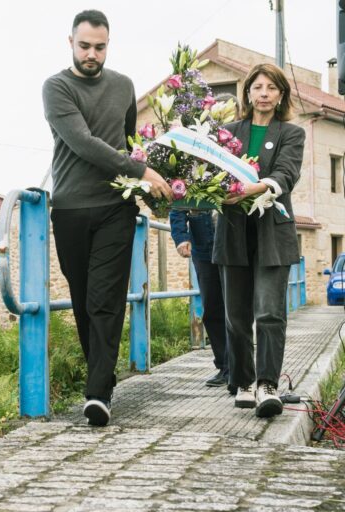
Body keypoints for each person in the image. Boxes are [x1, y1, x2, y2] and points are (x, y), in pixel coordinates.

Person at [42, 9, 172, 426]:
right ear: (71, 43)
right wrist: (142, 172)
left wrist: (154, 178)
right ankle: (102, 375)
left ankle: (98, 392)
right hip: (69, 209)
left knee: (106, 299)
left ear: (107, 45)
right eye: (85, 46)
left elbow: (129, 144)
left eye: (99, 47)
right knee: (82, 299)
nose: (92, 54)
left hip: (117, 207)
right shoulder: (56, 87)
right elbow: (83, 143)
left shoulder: (124, 86)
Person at [213, 63, 305, 417]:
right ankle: (243, 382)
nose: (264, 93)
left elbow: (286, 173)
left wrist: (259, 186)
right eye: (257, 87)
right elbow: (212, 172)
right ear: (247, 93)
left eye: (271, 87)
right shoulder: (227, 132)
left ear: (281, 94)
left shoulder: (291, 133)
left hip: (272, 233)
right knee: (236, 316)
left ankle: (268, 384)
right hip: (234, 231)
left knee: (269, 312)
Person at [169, 209, 229, 387]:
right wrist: (181, 237)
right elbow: (178, 207)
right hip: (204, 248)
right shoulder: (187, 180)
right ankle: (225, 367)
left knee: (236, 309)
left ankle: (237, 367)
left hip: (232, 245)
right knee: (212, 309)